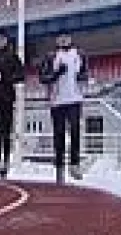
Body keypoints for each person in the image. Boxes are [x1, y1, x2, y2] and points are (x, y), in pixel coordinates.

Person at [39, 33, 88, 184]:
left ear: (71, 39)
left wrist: (81, 78)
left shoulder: (79, 54)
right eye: (61, 38)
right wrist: (56, 73)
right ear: (56, 40)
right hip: (57, 101)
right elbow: (43, 78)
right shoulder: (51, 56)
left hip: (74, 99)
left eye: (66, 38)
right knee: (59, 134)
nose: (64, 40)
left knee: (75, 130)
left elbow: (85, 73)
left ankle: (74, 164)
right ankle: (59, 167)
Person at [0, 29, 24, 179]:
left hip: (7, 97)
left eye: (3, 39)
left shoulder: (13, 56)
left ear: (6, 40)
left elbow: (20, 75)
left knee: (6, 130)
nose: (0, 41)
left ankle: (6, 161)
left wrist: (5, 77)